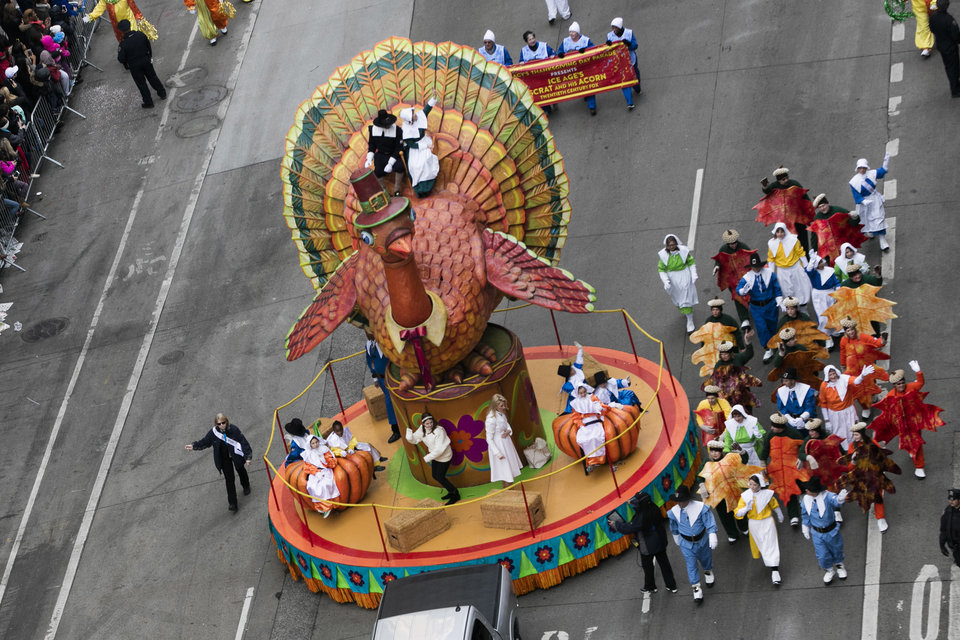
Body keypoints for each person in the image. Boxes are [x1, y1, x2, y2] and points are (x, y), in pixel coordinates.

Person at [870, 361, 943, 479]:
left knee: (916, 442)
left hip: (914, 422)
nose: (901, 385)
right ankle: (910, 449)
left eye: (902, 382)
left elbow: (920, 382)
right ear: (894, 385)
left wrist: (918, 372)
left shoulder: (911, 387)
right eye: (898, 384)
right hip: (901, 424)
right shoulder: (890, 396)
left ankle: (919, 467)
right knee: (907, 442)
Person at [608, 492, 678, 594]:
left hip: (647, 546)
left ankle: (650, 587)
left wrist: (615, 524)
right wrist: (631, 502)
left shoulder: (641, 518)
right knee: (664, 564)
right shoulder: (654, 508)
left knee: (647, 567)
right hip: (660, 541)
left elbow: (629, 528)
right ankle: (671, 585)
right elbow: (640, 505)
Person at [840, 422, 901, 532]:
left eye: (856, 435)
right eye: (854, 435)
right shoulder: (851, 447)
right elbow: (849, 468)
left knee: (877, 496)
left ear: (862, 434)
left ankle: (880, 518)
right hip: (861, 478)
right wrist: (853, 460)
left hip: (874, 476)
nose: (854, 437)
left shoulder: (872, 443)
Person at [184, 413, 252, 512]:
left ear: (226, 421)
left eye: (223, 423)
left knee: (240, 469)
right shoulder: (213, 433)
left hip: (235, 454)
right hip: (223, 458)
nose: (221, 425)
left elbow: (243, 441)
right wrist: (194, 446)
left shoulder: (234, 430)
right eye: (218, 424)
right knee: (229, 479)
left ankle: (246, 485)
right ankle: (233, 503)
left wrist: (248, 457)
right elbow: (205, 442)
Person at [666, 484, 718, 603]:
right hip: (686, 543)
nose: (679, 504)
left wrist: (712, 533)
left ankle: (708, 572)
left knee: (705, 559)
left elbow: (709, 521)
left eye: (681, 501)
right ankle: (696, 589)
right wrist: (676, 536)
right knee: (691, 565)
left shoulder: (700, 508)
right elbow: (673, 525)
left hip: (702, 541)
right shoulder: (674, 512)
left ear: (688, 499)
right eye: (677, 501)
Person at [697, 439, 755, 543]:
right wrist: (702, 485)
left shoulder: (729, 459)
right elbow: (700, 475)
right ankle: (732, 534)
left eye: (717, 451)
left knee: (739, 510)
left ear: (721, 451)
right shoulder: (706, 463)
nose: (714, 454)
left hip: (733, 491)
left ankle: (744, 528)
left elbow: (744, 460)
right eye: (712, 451)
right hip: (719, 496)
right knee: (724, 516)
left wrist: (741, 451)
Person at [735, 474, 784, 585]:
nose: (752, 487)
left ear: (760, 485)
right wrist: (746, 508)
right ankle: (769, 561)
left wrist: (779, 514)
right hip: (754, 524)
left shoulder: (767, 494)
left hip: (767, 522)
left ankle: (774, 571)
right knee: (762, 545)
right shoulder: (745, 496)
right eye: (751, 484)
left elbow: (774, 504)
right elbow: (737, 513)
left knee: (771, 544)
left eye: (755, 485)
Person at [799, 476, 848, 584]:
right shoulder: (805, 500)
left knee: (836, 550)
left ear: (815, 491)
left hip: (831, 531)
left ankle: (840, 567)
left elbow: (836, 501)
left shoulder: (827, 496)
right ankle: (829, 570)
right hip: (817, 533)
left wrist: (840, 499)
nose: (806, 490)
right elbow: (805, 515)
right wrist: (805, 527)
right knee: (822, 554)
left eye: (809, 489)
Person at [762, 413, 809, 527]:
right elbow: (765, 449)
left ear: (780, 427)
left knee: (801, 485)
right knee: (788, 491)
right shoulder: (770, 435)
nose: (771, 428)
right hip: (780, 470)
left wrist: (801, 458)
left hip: (795, 468)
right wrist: (763, 462)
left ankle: (804, 501)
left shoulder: (794, 433)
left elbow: (804, 447)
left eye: (774, 426)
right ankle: (793, 516)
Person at [838, 316, 888, 419]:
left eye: (852, 330)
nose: (851, 332)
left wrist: (882, 341)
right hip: (854, 371)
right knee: (859, 390)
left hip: (867, 368)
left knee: (871, 384)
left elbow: (876, 342)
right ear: (845, 331)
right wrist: (843, 367)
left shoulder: (863, 337)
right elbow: (843, 354)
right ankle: (865, 407)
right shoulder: (843, 341)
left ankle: (873, 396)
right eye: (848, 330)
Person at [737, 252, 782, 363]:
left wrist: (779, 299)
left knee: (772, 325)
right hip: (757, 307)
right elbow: (739, 290)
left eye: (757, 266)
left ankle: (775, 344)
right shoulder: (747, 278)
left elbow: (776, 287)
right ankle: (767, 348)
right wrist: (743, 291)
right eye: (754, 267)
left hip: (771, 305)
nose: (756, 269)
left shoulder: (769, 273)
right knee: (762, 328)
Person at [406, 413, 460, 504]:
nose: (430, 425)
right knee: (435, 475)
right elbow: (415, 439)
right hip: (435, 456)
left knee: (440, 477)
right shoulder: (422, 429)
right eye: (427, 423)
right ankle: (451, 492)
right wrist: (409, 436)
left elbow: (439, 450)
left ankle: (455, 494)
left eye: (431, 422)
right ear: (423, 424)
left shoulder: (439, 431)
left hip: (444, 456)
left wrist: (427, 457)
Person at [819, 364, 873, 448]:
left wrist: (862, 376)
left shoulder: (843, 378)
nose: (833, 376)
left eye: (834, 373)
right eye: (830, 375)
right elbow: (823, 404)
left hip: (849, 411)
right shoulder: (824, 386)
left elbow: (855, 381)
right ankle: (843, 450)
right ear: (827, 376)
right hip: (835, 415)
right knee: (839, 433)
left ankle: (856, 447)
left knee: (853, 430)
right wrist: (827, 421)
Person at [760, 167, 813, 252]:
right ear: (779, 181)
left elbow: (805, 197)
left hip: (797, 217)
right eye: (783, 179)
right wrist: (765, 186)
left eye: (787, 178)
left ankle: (805, 257)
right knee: (789, 240)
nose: (786, 180)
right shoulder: (775, 186)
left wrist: (810, 210)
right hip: (784, 220)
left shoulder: (794, 184)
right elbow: (767, 191)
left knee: (802, 240)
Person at [116, 19, 165, 109]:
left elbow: (121, 59)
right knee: (153, 77)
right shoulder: (140, 35)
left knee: (142, 84)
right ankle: (162, 93)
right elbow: (148, 45)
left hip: (134, 66)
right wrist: (149, 56)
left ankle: (148, 102)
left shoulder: (123, 44)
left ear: (121, 31)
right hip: (145, 60)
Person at [657, 233, 699, 333]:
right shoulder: (663, 256)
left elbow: (691, 262)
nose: (671, 247)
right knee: (678, 299)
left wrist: (694, 274)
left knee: (686, 299)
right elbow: (661, 269)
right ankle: (686, 313)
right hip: (673, 280)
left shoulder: (683, 251)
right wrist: (666, 281)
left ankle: (690, 321)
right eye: (669, 245)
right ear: (666, 246)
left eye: (673, 244)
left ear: (676, 243)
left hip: (684, 277)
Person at [398, 97, 439, 197]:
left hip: (424, 141)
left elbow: (427, 109)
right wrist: (425, 146)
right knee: (415, 166)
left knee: (426, 160)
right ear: (409, 120)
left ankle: (428, 187)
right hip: (415, 148)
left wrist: (433, 98)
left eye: (414, 113)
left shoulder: (419, 116)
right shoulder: (406, 129)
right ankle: (420, 190)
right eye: (413, 116)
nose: (415, 116)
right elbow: (411, 144)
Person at [849, 154, 891, 251]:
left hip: (874, 200)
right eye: (860, 168)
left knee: (878, 218)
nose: (862, 170)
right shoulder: (853, 181)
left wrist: (885, 164)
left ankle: (882, 240)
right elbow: (856, 195)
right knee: (866, 220)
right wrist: (863, 201)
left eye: (864, 168)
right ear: (857, 168)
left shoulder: (872, 173)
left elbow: (881, 172)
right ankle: (870, 232)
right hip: (864, 203)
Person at [712, 229, 754, 323]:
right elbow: (719, 260)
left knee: (751, 293)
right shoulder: (723, 249)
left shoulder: (743, 247)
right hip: (732, 279)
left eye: (734, 243)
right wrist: (717, 266)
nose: (733, 245)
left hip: (745, 276)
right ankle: (744, 318)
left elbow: (751, 256)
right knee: (738, 297)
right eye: (731, 244)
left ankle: (754, 309)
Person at [365, 332, 401, 443]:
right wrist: (375, 378)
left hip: (390, 377)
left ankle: (396, 429)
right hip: (381, 379)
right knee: (390, 401)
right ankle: (397, 427)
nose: (368, 334)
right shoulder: (368, 345)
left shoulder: (383, 343)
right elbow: (370, 361)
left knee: (390, 402)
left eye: (369, 332)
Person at [710, 340, 761, 412]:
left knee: (747, 410)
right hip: (729, 394)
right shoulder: (718, 365)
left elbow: (749, 354)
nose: (724, 356)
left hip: (742, 391)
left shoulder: (738, 358)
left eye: (726, 354)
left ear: (730, 353)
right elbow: (716, 380)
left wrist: (748, 342)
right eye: (722, 354)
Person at [767, 222, 811, 307]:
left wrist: (807, 266)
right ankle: (791, 308)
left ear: (785, 231)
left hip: (795, 268)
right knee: (787, 291)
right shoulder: (772, 243)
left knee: (800, 289)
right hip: (782, 271)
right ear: (775, 233)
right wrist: (771, 274)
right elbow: (771, 259)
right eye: (778, 232)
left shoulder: (794, 240)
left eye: (782, 231)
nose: (780, 234)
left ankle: (803, 308)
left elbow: (800, 253)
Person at [557, 23, 598, 115]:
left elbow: (593, 50)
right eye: (570, 32)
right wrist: (560, 54)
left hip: (585, 68)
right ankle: (585, 95)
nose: (571, 34)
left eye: (573, 32)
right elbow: (560, 51)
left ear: (578, 32)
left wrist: (586, 50)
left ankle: (592, 107)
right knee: (580, 84)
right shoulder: (566, 41)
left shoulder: (585, 41)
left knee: (588, 85)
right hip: (573, 69)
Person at [485, 393, 524, 485]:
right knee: (505, 473)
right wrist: (497, 453)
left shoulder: (501, 413)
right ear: (495, 406)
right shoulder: (491, 419)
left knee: (509, 471)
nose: (503, 407)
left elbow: (507, 424)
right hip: (500, 447)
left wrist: (508, 431)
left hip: (506, 444)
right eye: (501, 406)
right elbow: (489, 438)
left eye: (504, 405)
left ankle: (510, 490)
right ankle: (508, 491)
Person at [805, 252, 841, 349]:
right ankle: (827, 337)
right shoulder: (813, 273)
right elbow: (808, 270)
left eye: (822, 261)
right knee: (823, 317)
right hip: (819, 296)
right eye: (819, 262)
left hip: (830, 294)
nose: (822, 263)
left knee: (833, 314)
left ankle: (833, 330)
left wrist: (838, 290)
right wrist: (812, 261)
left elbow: (836, 281)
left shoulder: (830, 270)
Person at [570, 384, 609, 473]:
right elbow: (575, 417)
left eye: (584, 392)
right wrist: (580, 424)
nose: (583, 394)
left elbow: (602, 407)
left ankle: (597, 461)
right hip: (584, 424)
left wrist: (600, 408)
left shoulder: (593, 398)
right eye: (581, 393)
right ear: (577, 393)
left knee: (596, 437)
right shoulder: (575, 403)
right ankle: (591, 461)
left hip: (595, 420)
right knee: (583, 439)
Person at [365, 109, 404, 196]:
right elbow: (372, 145)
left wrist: (390, 163)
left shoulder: (397, 130)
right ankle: (384, 192)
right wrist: (369, 158)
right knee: (377, 171)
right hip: (381, 154)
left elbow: (398, 147)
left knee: (400, 167)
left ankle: (397, 190)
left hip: (393, 154)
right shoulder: (373, 130)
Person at [300, 434, 340, 517]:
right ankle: (320, 506)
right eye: (313, 443)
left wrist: (324, 460)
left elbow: (332, 462)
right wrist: (316, 472)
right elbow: (308, 466)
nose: (315, 444)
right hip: (316, 473)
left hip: (325, 470)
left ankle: (328, 507)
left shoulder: (324, 450)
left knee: (324, 485)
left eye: (316, 442)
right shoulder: (308, 454)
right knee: (311, 486)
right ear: (310, 445)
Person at [607, 17, 642, 109]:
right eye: (612, 28)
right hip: (619, 63)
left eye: (615, 28)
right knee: (624, 81)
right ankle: (629, 102)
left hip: (631, 61)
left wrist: (629, 44)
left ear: (620, 27)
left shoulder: (629, 33)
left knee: (635, 78)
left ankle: (637, 87)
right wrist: (608, 46)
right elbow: (608, 50)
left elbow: (635, 46)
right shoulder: (610, 36)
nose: (614, 30)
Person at [929, 0, 960, 97]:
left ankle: (955, 84)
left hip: (941, 45)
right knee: (953, 67)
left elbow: (931, 29)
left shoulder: (933, 17)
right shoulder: (949, 19)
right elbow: (956, 35)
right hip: (950, 47)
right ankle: (955, 89)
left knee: (949, 66)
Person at [558, 341, 592, 413]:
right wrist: (581, 395)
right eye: (571, 370)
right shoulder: (570, 384)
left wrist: (580, 349)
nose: (573, 370)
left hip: (585, 387)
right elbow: (573, 393)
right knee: (573, 405)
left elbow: (579, 358)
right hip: (579, 392)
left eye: (571, 368)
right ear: (569, 375)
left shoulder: (576, 367)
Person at [940, 489, 960, 567]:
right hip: (955, 547)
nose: (951, 501)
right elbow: (943, 530)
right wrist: (942, 545)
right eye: (949, 499)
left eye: (953, 499)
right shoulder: (948, 511)